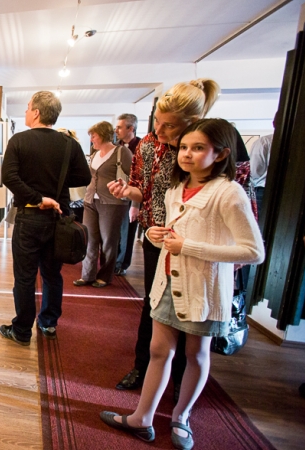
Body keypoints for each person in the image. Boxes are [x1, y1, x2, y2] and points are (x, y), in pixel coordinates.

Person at [100, 118, 264, 449]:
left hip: (203, 288)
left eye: (198, 148)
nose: (187, 154)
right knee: (159, 350)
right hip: (166, 283)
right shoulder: (176, 189)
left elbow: (252, 251)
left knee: (196, 354)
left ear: (220, 154)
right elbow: (172, 235)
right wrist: (153, 234)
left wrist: (187, 246)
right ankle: (142, 417)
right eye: (184, 147)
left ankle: (181, 417)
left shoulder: (229, 192)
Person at [108, 79, 221, 396]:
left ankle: (181, 384)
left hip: (199, 248)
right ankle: (143, 369)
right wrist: (125, 192)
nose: (158, 129)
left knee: (192, 315)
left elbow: (230, 200)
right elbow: (140, 191)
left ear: (192, 124)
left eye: (168, 125)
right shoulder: (148, 145)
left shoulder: (212, 145)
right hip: (157, 240)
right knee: (154, 306)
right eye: (156, 120)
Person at [0, 91, 90, 345]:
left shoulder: (19, 140)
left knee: (25, 277)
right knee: (52, 274)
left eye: (28, 107)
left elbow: (9, 178)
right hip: (57, 219)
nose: (26, 111)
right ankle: (48, 324)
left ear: (37, 112)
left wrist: (37, 198)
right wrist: (56, 186)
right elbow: (84, 178)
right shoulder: (70, 144)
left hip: (29, 218)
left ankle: (22, 331)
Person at [73, 121, 132, 288]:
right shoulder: (94, 154)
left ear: (104, 135)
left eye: (94, 135)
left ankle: (105, 276)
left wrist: (134, 204)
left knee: (108, 240)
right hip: (90, 200)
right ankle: (87, 275)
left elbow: (134, 177)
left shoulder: (122, 152)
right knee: (90, 239)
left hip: (113, 202)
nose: (91, 139)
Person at [114, 114, 142, 276]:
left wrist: (136, 204)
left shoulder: (141, 147)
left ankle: (122, 263)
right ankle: (114, 260)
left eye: (120, 127)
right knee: (116, 230)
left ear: (131, 128)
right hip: (117, 194)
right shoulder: (116, 146)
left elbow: (139, 177)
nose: (116, 130)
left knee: (128, 231)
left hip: (133, 196)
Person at [57, 128, 87, 223]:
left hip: (76, 197)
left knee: (74, 224)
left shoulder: (75, 152)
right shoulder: (77, 151)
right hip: (70, 196)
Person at [250, 117, 275, 219]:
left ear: (274, 123)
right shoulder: (299, 144)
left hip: (263, 191)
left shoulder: (264, 142)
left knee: (260, 226)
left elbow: (254, 171)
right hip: (291, 192)